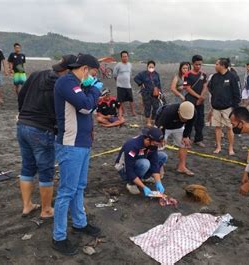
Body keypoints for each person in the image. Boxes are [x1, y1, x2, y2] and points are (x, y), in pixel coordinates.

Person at [52, 54, 103, 256]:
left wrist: (91, 91)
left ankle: (80, 223)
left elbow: (86, 103)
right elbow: (86, 106)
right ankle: (59, 237)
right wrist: (95, 90)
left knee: (79, 186)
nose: (93, 77)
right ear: (84, 68)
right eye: (93, 73)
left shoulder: (79, 84)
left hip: (82, 143)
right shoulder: (67, 82)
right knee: (67, 190)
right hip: (70, 144)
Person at [17, 54, 76, 220]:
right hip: (42, 129)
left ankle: (27, 205)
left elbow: (21, 96)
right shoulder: (60, 84)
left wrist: (23, 114)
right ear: (68, 70)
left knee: (27, 166)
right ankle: (46, 209)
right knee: (46, 170)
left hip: (23, 125)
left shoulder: (37, 74)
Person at [115, 127, 168, 195]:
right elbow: (129, 169)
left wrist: (158, 182)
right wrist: (143, 187)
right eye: (155, 144)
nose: (156, 146)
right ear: (148, 139)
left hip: (140, 158)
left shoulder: (153, 144)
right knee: (145, 163)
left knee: (163, 156)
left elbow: (154, 163)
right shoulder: (133, 147)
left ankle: (144, 178)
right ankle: (131, 183)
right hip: (124, 168)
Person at [207, 58, 241, 155]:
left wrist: (235, 107)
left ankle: (230, 148)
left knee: (230, 128)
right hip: (216, 107)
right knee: (217, 127)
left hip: (228, 108)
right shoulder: (214, 77)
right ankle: (218, 147)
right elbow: (210, 87)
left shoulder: (232, 77)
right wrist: (215, 100)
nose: (215, 66)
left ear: (222, 65)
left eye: (217, 64)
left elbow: (237, 93)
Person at [155, 101, 196, 176]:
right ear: (178, 111)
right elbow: (160, 126)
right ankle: (159, 168)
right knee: (158, 145)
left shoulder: (193, 112)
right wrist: (161, 138)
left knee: (184, 144)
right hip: (164, 126)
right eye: (183, 118)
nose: (185, 120)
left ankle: (182, 167)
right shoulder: (168, 111)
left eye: (187, 119)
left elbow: (189, 125)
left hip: (178, 127)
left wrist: (186, 136)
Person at [184, 55, 208, 147]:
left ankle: (198, 139)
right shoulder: (187, 74)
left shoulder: (203, 75)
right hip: (190, 100)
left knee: (200, 120)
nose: (198, 66)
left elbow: (205, 86)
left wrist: (201, 97)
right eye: (197, 64)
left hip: (200, 101)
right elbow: (187, 88)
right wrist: (199, 97)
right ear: (193, 64)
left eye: (200, 65)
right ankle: (187, 138)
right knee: (189, 119)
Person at [134, 60, 162, 127]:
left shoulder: (156, 74)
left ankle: (153, 119)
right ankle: (148, 121)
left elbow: (159, 84)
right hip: (146, 93)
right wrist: (141, 83)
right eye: (150, 66)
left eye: (152, 67)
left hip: (155, 93)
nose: (151, 68)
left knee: (156, 107)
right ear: (147, 66)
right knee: (147, 107)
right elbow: (135, 78)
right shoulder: (142, 74)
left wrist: (160, 92)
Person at [113, 50, 136, 116]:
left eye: (126, 56)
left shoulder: (130, 65)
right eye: (123, 57)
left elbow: (130, 74)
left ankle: (133, 112)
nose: (125, 58)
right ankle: (123, 112)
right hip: (120, 85)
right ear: (121, 57)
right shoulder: (118, 65)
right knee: (121, 100)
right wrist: (118, 82)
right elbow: (114, 75)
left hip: (128, 85)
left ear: (128, 57)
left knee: (131, 99)